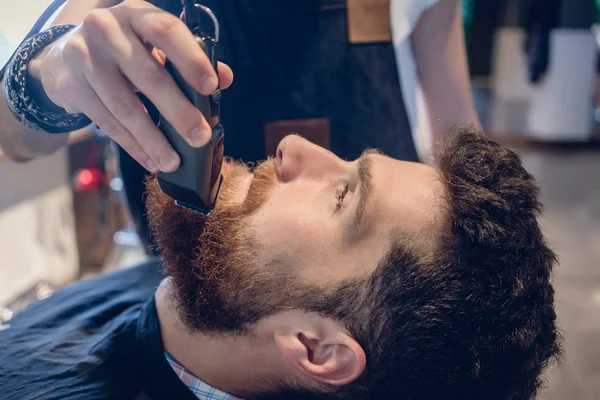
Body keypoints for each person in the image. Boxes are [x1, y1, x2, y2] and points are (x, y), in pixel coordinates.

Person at [0, 126, 561, 400]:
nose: (294, 146)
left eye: (342, 197)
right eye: (347, 162)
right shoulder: (198, 291)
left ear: (317, 349)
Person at [0, 0, 479, 252]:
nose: (293, 151)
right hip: (187, 282)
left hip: (367, 288)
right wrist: (47, 77)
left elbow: (460, 138)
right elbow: (12, 138)